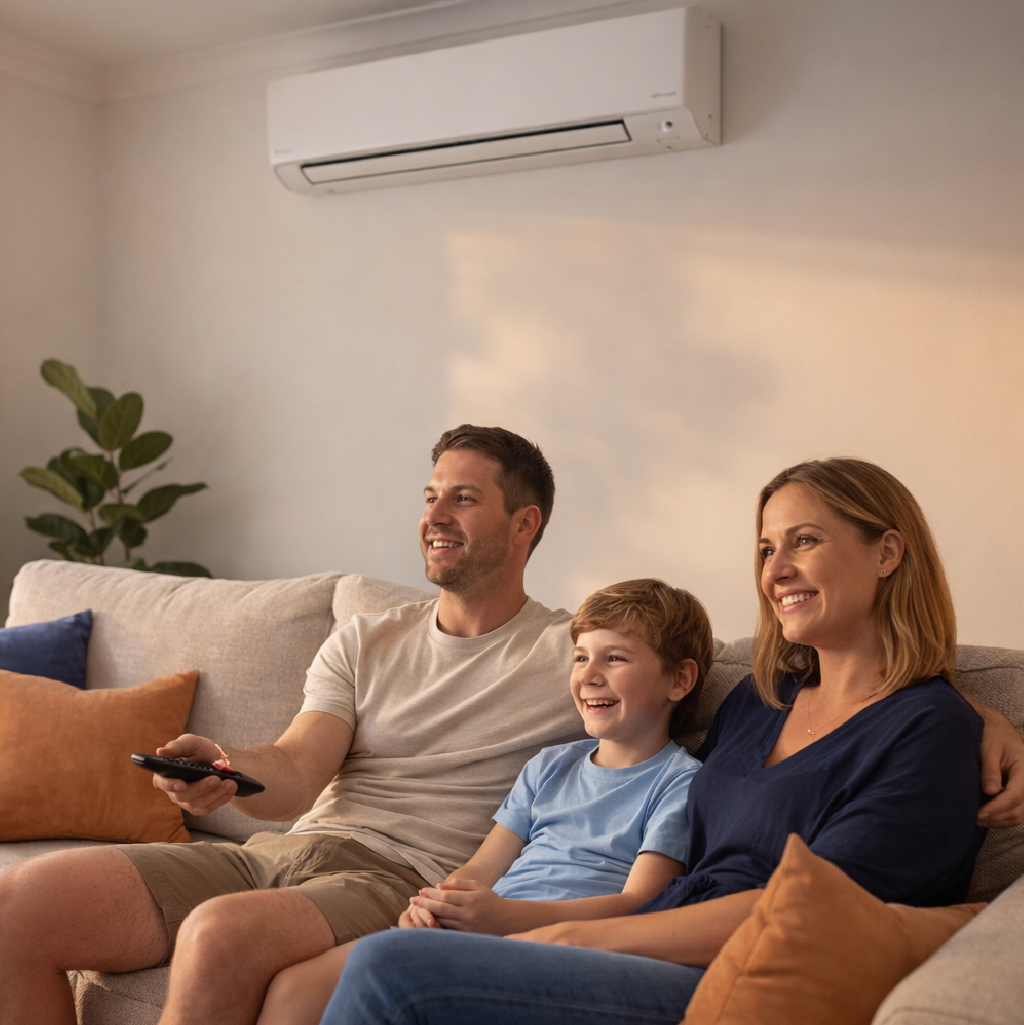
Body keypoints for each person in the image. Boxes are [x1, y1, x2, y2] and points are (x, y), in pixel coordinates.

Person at [317, 457, 1024, 1025]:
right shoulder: (760, 696)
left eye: (804, 540)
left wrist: (573, 937)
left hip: (721, 971)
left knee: (390, 968)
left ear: (887, 552)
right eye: (766, 547)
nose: (774, 569)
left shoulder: (931, 731)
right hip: (646, 943)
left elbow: (815, 912)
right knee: (388, 953)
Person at [0, 426, 588, 1025]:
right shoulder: (367, 639)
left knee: (218, 934)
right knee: (18, 903)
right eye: (430, 496)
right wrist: (226, 769)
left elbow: (673, 684)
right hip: (278, 854)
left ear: (524, 524)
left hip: (402, 883)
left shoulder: (571, 655)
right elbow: (299, 766)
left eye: (463, 498)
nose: (434, 515)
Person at [259, 579, 709, 1025]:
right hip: (488, 928)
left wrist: (507, 917)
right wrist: (436, 904)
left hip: (561, 943)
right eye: (580, 658)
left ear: (679, 679)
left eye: (614, 658)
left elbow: (639, 905)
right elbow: (481, 868)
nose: (589, 675)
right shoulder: (550, 765)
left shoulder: (680, 783)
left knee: (386, 963)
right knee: (294, 988)